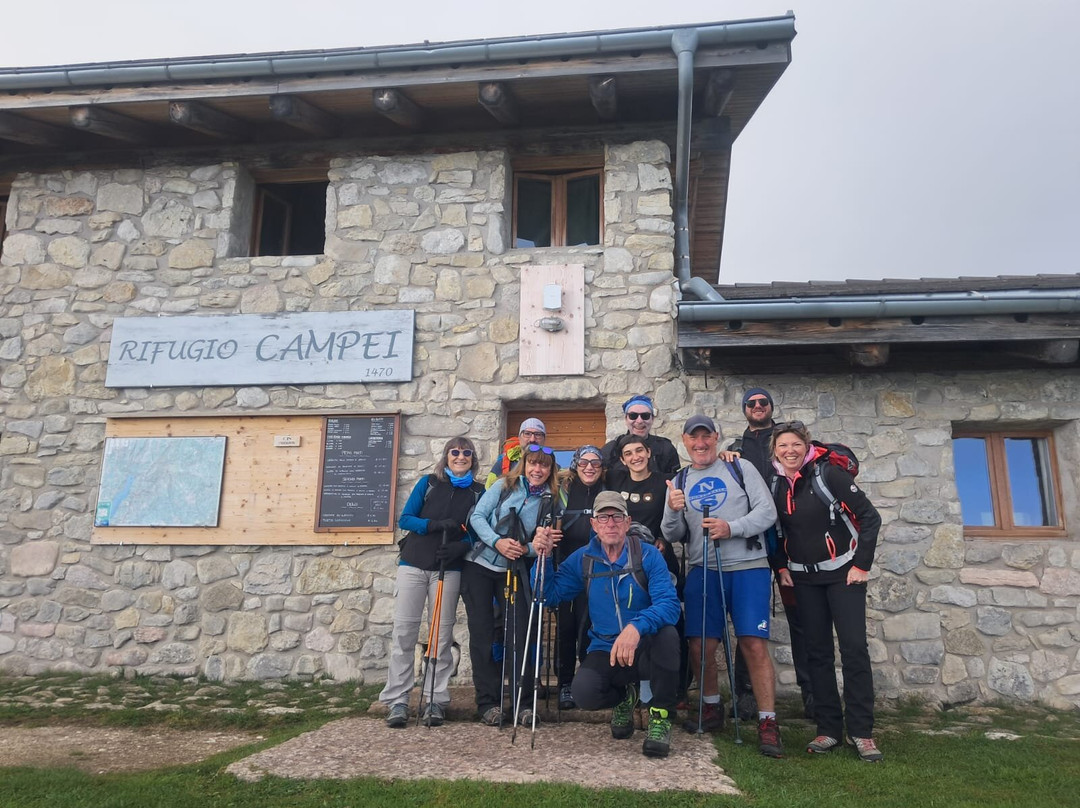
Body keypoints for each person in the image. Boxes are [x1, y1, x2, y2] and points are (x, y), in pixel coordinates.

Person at [662, 415, 783, 758]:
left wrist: (732, 528)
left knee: (753, 644)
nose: (700, 444)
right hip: (703, 569)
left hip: (747, 568)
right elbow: (672, 534)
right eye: (693, 438)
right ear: (684, 441)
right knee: (701, 645)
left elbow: (767, 512)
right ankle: (711, 707)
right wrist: (672, 511)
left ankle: (767, 721)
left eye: (706, 437)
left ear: (716, 438)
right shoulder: (680, 480)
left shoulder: (739, 467)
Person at [533, 491, 681, 758]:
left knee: (668, 636)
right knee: (584, 693)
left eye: (617, 517)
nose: (610, 523)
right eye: (603, 517)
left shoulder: (647, 556)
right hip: (605, 647)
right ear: (594, 524)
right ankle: (624, 699)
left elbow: (669, 605)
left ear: (627, 522)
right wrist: (541, 557)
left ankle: (659, 717)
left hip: (645, 645)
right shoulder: (584, 559)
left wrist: (635, 628)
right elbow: (547, 595)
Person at [769, 421, 884, 762]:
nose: (789, 451)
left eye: (795, 445)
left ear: (806, 446)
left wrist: (861, 566)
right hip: (804, 579)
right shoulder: (776, 484)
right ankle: (829, 729)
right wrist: (781, 566)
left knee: (853, 650)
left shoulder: (828, 475)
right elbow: (774, 530)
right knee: (816, 653)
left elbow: (869, 517)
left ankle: (862, 732)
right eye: (782, 446)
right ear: (774, 451)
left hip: (844, 576)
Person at [380, 437, 486, 727]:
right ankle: (398, 700)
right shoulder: (429, 483)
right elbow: (406, 519)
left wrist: (461, 545)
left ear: (473, 459)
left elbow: (479, 529)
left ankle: (435, 699)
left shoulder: (478, 491)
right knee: (404, 631)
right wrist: (432, 525)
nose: (460, 456)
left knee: (440, 635)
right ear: (446, 456)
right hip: (414, 563)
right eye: (455, 452)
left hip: (448, 568)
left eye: (466, 453)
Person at [725, 387, 814, 721]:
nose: (758, 406)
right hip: (752, 543)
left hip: (792, 542)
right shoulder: (734, 449)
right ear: (744, 409)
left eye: (763, 402)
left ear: (771, 408)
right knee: (749, 625)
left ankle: (814, 698)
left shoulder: (785, 440)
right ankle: (745, 700)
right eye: (752, 403)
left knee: (804, 621)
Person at [465, 443, 560, 727]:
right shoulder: (505, 485)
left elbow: (540, 545)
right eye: (533, 463)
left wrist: (528, 547)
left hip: (514, 568)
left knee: (520, 635)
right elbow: (477, 517)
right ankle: (488, 703)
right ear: (525, 465)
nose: (537, 469)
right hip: (480, 567)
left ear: (550, 470)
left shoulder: (550, 499)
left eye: (544, 465)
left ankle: (523, 703)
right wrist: (498, 542)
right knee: (482, 634)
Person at [549, 445, 606, 710]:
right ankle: (565, 684)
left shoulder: (607, 492)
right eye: (584, 462)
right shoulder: (562, 493)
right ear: (575, 465)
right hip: (567, 570)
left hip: (598, 572)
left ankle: (587, 683)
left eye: (595, 462)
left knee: (589, 628)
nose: (589, 467)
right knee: (565, 628)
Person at [601, 395, 680, 482]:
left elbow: (674, 480)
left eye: (645, 416)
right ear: (626, 419)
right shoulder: (611, 449)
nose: (639, 421)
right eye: (633, 416)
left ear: (652, 419)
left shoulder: (665, 448)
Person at [486, 417, 547, 488]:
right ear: (519, 437)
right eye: (527, 434)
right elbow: (488, 491)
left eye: (538, 434)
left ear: (544, 439)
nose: (532, 439)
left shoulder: (552, 467)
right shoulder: (502, 464)